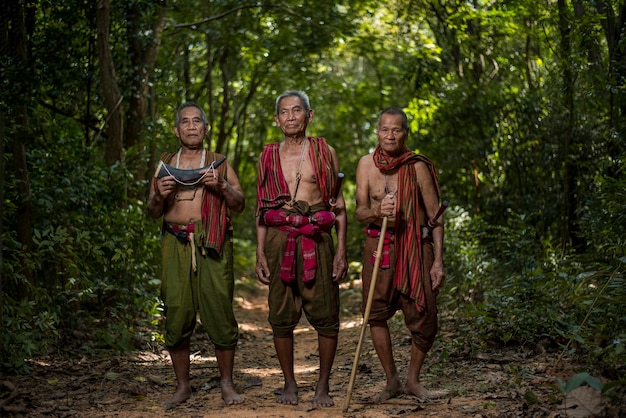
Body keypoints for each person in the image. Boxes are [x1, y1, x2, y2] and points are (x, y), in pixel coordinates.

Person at [147, 102, 245, 407]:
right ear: (177, 130)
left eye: (197, 121)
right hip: (174, 244)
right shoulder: (164, 164)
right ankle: (182, 386)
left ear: (206, 128)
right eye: (185, 122)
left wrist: (223, 186)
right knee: (176, 312)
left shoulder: (219, 162)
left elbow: (239, 204)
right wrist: (159, 195)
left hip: (212, 242)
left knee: (219, 311)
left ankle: (227, 384)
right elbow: (152, 212)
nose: (191, 126)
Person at [255, 90, 348, 407]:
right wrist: (259, 253)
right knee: (280, 315)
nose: (291, 116)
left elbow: (339, 207)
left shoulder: (325, 152)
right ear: (277, 119)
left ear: (309, 116)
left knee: (326, 314)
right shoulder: (267, 156)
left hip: (317, 239)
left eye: (297, 110)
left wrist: (341, 251)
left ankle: (322, 386)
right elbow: (261, 210)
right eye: (284, 112)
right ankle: (290, 384)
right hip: (280, 240)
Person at [354, 107, 445, 402]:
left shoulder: (417, 167)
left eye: (396, 130)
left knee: (425, 317)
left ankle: (413, 380)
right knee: (376, 314)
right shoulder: (366, 165)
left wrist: (439, 261)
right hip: (377, 248)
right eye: (384, 130)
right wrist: (377, 211)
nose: (390, 136)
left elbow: (435, 218)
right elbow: (359, 212)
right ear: (377, 132)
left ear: (405, 133)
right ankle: (392, 381)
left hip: (416, 247)